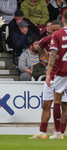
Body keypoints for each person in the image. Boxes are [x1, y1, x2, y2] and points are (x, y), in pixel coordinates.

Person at [29, 20, 67, 139]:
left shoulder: (61, 38)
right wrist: (45, 55)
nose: (55, 32)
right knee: (46, 104)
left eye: (57, 29)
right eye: (53, 29)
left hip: (61, 74)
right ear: (49, 30)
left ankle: (60, 132)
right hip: (51, 75)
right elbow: (39, 47)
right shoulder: (46, 40)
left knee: (64, 105)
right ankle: (43, 132)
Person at [45, 10, 67, 139]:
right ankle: (61, 132)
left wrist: (48, 73)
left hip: (61, 72)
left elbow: (53, 54)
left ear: (62, 20)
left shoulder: (57, 34)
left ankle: (58, 132)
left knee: (57, 101)